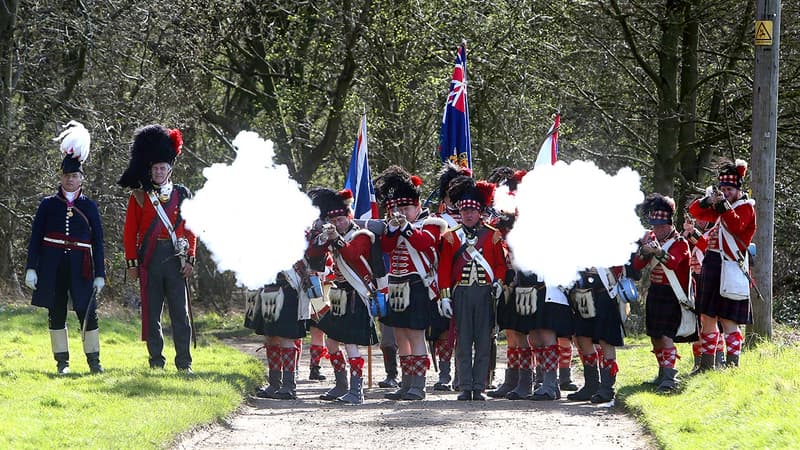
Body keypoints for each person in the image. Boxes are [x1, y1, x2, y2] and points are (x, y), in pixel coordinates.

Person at [25, 121, 106, 374]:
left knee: (87, 312)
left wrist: (100, 274)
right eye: (66, 176)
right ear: (61, 177)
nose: (70, 180)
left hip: (81, 266)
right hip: (52, 265)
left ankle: (94, 362)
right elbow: (36, 237)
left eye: (74, 176)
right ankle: (62, 363)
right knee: (56, 311)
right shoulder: (48, 205)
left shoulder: (90, 206)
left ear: (81, 177)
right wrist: (31, 268)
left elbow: (98, 242)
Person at [118, 124, 197, 373]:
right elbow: (130, 232)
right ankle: (156, 362)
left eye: (163, 168)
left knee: (180, 315)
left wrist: (190, 259)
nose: (159, 171)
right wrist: (132, 263)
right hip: (150, 258)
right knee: (152, 315)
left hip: (175, 259)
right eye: (155, 168)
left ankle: (184, 363)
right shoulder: (139, 197)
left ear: (170, 169)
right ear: (150, 170)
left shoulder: (182, 194)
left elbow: (191, 228)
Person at [306, 188, 386, 405]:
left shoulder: (362, 235)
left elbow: (353, 253)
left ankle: (356, 390)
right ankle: (341, 384)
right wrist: (320, 239)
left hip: (356, 296)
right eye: (333, 219)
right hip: (339, 295)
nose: (338, 223)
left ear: (349, 217)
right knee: (331, 341)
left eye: (341, 218)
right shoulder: (333, 236)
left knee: (351, 343)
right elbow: (313, 256)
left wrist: (336, 239)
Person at [375, 166, 447, 400]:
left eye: (406, 208)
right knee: (400, 336)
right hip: (396, 286)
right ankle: (406, 383)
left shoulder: (432, 223)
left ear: (417, 207)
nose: (402, 212)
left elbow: (424, 243)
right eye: (397, 208)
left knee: (416, 336)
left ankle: (419, 385)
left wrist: (404, 226)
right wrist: (394, 230)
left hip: (417, 287)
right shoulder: (394, 227)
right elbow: (385, 248)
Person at [437, 176, 507, 401]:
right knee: (463, 340)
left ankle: (481, 385)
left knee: (484, 340)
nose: (468, 215)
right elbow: (444, 270)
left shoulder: (493, 235)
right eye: (465, 211)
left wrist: (498, 282)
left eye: (472, 211)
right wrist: (445, 297)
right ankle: (465, 386)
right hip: (462, 293)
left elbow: (499, 265)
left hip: (485, 292)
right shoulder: (450, 237)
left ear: (480, 212)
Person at [688, 159, 756, 370]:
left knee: (728, 320)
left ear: (738, 190)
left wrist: (723, 205)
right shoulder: (721, 207)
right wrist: (708, 200)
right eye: (723, 189)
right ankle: (707, 366)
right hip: (712, 264)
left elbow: (736, 226)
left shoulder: (746, 208)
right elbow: (696, 211)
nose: (725, 192)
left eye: (729, 189)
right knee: (707, 317)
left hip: (730, 266)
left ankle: (732, 365)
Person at [632, 194, 692, 394]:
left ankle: (669, 378)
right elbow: (638, 265)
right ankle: (661, 374)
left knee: (666, 336)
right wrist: (645, 251)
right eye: (655, 226)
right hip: (656, 292)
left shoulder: (680, 242)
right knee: (655, 336)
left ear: (669, 224)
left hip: (672, 295)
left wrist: (658, 252)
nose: (657, 230)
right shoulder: (651, 239)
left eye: (661, 227)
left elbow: (674, 263)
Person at [429, 162, 471, 391]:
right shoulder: (437, 220)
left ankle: (465, 374)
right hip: (442, 280)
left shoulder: (476, 220)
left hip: (470, 281)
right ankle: (444, 374)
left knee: (468, 331)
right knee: (444, 331)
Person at [566, 266, 625, 403]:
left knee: (606, 340)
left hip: (605, 295)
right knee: (582, 338)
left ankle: (607, 388)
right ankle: (591, 386)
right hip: (583, 295)